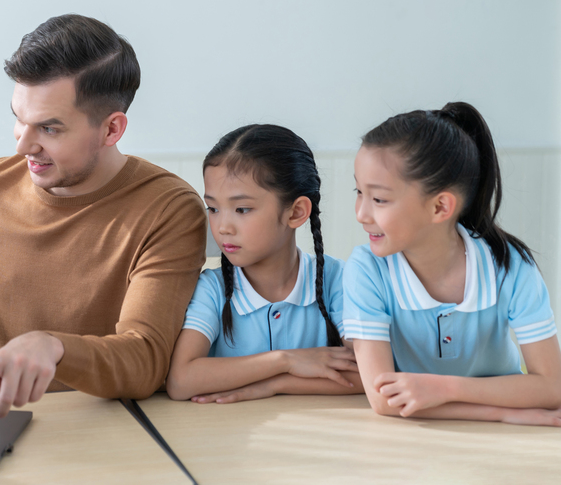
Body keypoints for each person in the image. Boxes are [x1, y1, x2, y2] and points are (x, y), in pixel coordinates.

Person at [0, 14, 207, 416]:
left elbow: (143, 360)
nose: (22, 147)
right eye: (19, 119)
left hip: (124, 426)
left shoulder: (168, 209)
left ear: (111, 130)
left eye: (50, 129)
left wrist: (55, 346)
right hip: (11, 418)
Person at [345, 102, 561, 425]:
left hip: (513, 443)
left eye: (378, 199)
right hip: (413, 442)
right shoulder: (366, 270)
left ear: (440, 207)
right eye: (358, 191)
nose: (361, 213)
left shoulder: (510, 265)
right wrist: (500, 412)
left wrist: (441, 388)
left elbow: (552, 386)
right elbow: (383, 399)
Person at [167, 125, 362, 403]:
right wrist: (285, 361)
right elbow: (181, 381)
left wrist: (275, 384)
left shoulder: (338, 280)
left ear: (296, 212)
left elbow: (370, 374)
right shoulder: (212, 288)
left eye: (242, 209)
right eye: (213, 208)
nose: (222, 227)